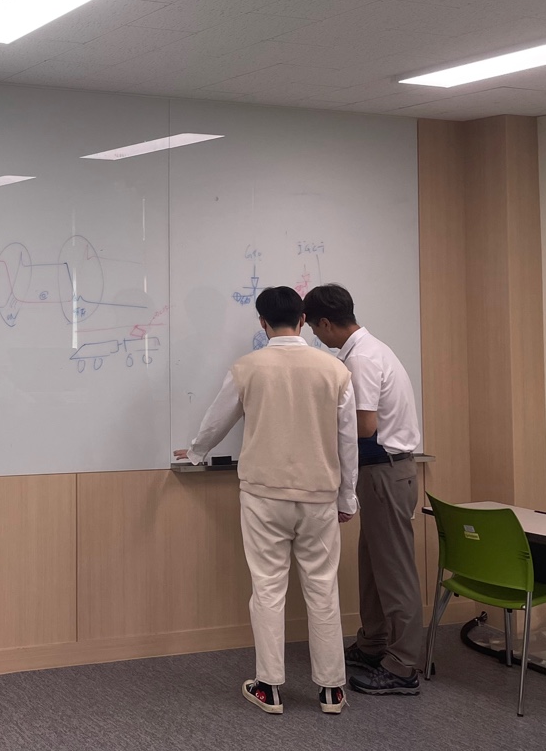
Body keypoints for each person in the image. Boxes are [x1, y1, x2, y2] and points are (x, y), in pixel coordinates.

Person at [175, 286, 358, 715]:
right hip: (318, 496)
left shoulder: (248, 367)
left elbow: (217, 419)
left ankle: (269, 687)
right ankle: (332, 690)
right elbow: (347, 441)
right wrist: (347, 496)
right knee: (323, 589)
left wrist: (197, 452)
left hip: (263, 496)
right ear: (303, 320)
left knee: (268, 588)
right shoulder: (335, 370)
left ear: (262, 322)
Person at [304, 283, 423, 697]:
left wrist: (315, 430)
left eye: (314, 329)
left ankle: (403, 664)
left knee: (394, 571)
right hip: (378, 473)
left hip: (385, 472)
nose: (315, 337)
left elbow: (365, 426)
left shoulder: (363, 358)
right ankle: (373, 643)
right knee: (372, 565)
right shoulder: (363, 351)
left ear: (325, 322)